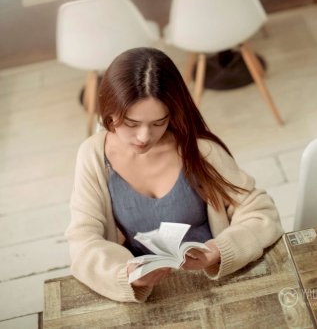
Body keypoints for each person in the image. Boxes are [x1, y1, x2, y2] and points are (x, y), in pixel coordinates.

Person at [65, 47, 283, 303]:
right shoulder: (93, 155)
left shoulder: (199, 150)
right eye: (132, 124)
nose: (144, 136)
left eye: (159, 123)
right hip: (154, 294)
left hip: (221, 280)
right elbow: (82, 240)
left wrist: (219, 250)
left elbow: (262, 213)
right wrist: (125, 275)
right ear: (110, 113)